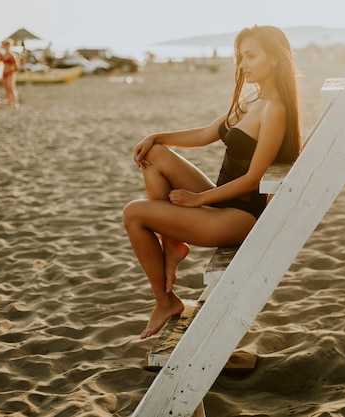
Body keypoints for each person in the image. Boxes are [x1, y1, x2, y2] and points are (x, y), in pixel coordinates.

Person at [123, 25, 302, 339]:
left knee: (134, 213)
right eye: (240, 57)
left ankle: (165, 300)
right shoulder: (253, 99)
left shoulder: (275, 110)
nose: (242, 64)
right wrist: (155, 137)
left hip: (242, 217)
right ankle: (173, 244)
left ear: (274, 59)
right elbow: (206, 134)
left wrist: (198, 200)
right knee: (155, 155)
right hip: (222, 202)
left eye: (250, 56)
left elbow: (253, 179)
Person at [0, 38, 19, 109]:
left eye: (8, 45)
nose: (7, 46)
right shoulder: (4, 55)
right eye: (6, 45)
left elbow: (16, 65)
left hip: (10, 73)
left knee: (12, 88)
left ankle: (16, 103)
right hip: (4, 72)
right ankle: (10, 103)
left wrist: (12, 70)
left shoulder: (13, 55)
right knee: (7, 88)